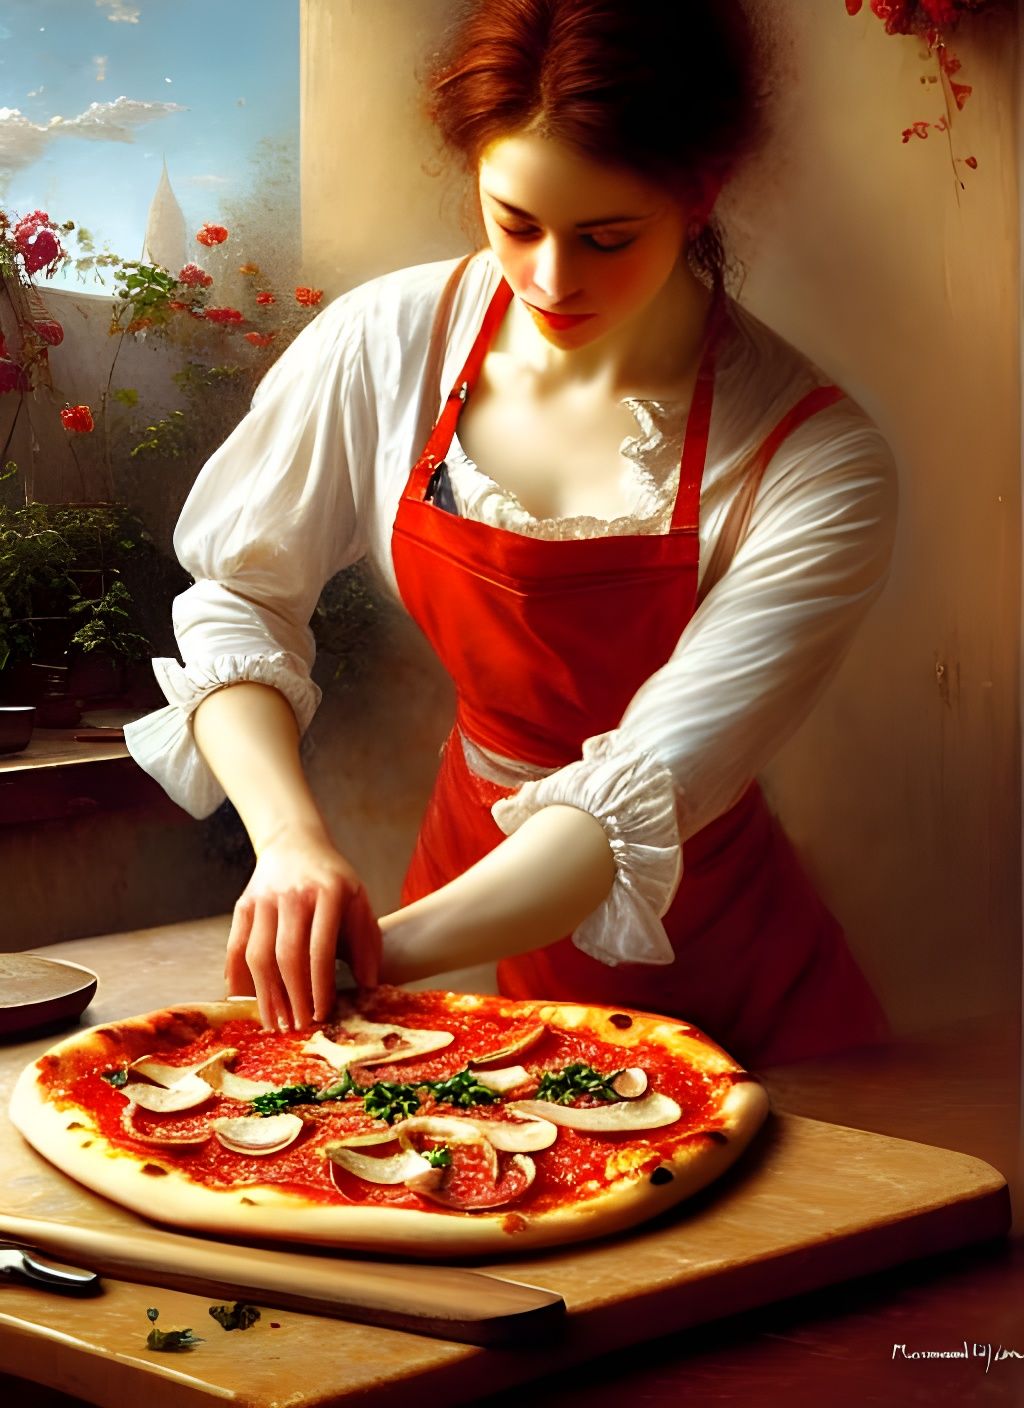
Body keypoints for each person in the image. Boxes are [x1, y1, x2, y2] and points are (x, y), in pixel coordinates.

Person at [124, 0, 897, 1069]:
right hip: (460, 886)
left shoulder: (815, 462)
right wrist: (292, 844)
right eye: (515, 222)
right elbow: (238, 597)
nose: (550, 282)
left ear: (699, 193)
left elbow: (636, 795)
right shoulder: (386, 342)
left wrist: (379, 955)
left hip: (709, 949)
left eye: (607, 237)